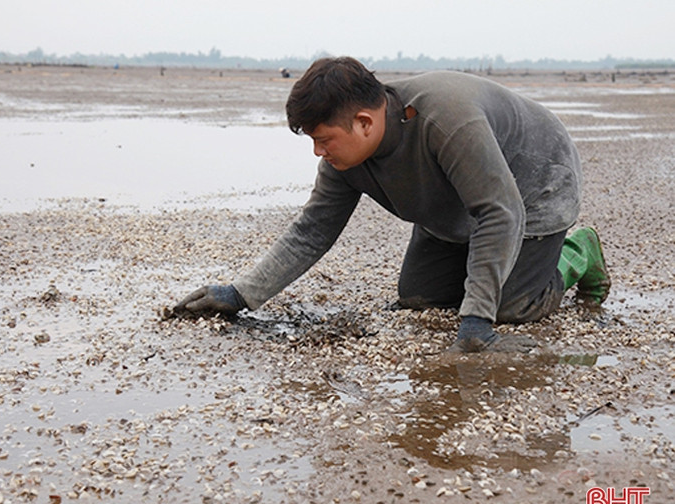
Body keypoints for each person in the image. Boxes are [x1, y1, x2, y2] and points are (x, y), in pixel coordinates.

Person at [174, 57, 610, 352]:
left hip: (534, 187)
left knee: (510, 309)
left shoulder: (445, 118)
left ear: (364, 122)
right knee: (419, 297)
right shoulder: (344, 158)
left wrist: (478, 322)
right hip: (460, 207)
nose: (317, 153)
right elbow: (313, 230)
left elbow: (499, 211)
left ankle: (577, 252)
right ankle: (485, 271)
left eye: (323, 140)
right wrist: (241, 294)